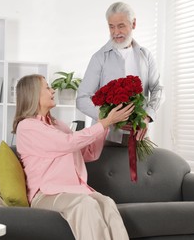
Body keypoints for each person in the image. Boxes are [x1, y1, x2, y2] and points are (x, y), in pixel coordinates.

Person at [12, 74, 132, 240]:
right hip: (46, 194)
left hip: (73, 191)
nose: (53, 90)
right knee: (85, 205)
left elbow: (89, 153)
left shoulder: (57, 125)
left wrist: (105, 123)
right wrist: (102, 124)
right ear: (33, 94)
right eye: (47, 87)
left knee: (107, 203)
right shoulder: (27, 127)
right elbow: (68, 143)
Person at [77, 1, 164, 144]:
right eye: (111, 26)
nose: (116, 32)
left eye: (121, 26)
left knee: (141, 166)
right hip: (106, 139)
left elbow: (158, 89)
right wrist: (108, 118)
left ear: (133, 24)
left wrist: (146, 116)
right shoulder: (99, 58)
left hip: (139, 137)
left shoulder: (146, 56)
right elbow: (82, 98)